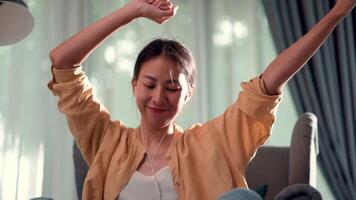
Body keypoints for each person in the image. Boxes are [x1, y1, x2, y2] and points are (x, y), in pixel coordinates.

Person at [47, 0, 355, 199]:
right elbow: (62, 61)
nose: (158, 97)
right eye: (149, 85)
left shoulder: (215, 142)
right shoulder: (106, 141)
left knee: (241, 199)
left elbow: (269, 82)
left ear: (188, 93)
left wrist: (335, 14)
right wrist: (133, 11)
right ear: (134, 86)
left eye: (172, 87)